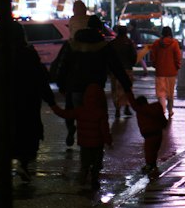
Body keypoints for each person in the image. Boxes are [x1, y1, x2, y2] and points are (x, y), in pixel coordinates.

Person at [0, 22, 64, 180]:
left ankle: (3, 164)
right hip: (25, 100)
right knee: (25, 133)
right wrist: (51, 102)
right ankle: (23, 164)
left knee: (1, 132)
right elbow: (41, 79)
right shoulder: (28, 53)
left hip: (1, 99)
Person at [53, 17, 136, 145]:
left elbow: (61, 65)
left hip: (75, 85)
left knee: (73, 111)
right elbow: (116, 67)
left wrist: (61, 84)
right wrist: (126, 85)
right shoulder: (103, 46)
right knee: (95, 116)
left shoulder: (71, 44)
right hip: (95, 88)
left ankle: (72, 131)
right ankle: (92, 145)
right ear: (99, 29)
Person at [62, 81, 113, 188]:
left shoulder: (80, 110)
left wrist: (54, 107)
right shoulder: (101, 112)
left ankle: (83, 178)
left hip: (84, 144)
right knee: (96, 163)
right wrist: (108, 141)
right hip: (97, 144)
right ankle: (94, 180)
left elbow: (65, 114)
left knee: (85, 162)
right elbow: (105, 129)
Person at [148, 26, 183, 118]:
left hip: (160, 71)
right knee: (170, 93)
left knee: (161, 93)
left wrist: (155, 65)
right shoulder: (174, 43)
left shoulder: (156, 43)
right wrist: (177, 66)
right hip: (171, 72)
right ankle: (170, 111)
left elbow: (152, 56)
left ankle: (162, 110)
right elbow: (178, 57)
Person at [134, 93, 169, 179]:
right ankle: (153, 166)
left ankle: (150, 168)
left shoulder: (141, 111)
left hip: (149, 135)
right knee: (154, 151)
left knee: (149, 152)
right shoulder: (155, 108)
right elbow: (163, 120)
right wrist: (164, 125)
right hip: (158, 133)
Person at [111, 25, 137, 120]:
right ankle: (126, 107)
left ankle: (117, 109)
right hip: (127, 68)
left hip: (115, 70)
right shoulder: (129, 43)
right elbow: (134, 56)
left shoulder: (113, 43)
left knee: (116, 90)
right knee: (127, 88)